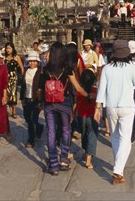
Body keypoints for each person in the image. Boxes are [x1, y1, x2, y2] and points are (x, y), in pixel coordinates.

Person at [95, 40, 135, 185]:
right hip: (127, 106)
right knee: (126, 139)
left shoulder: (107, 68)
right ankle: (118, 169)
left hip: (111, 107)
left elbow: (101, 89)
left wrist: (97, 107)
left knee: (115, 137)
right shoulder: (132, 67)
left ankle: (118, 171)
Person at [37, 42, 87, 176]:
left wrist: (41, 103)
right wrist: (89, 95)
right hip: (64, 102)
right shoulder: (67, 69)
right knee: (66, 130)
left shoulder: (45, 69)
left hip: (49, 104)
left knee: (51, 132)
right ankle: (64, 159)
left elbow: (40, 89)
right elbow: (77, 88)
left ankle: (53, 164)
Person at [76, 51, 98, 169]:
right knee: (92, 136)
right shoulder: (95, 91)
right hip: (92, 116)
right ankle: (89, 159)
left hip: (81, 115)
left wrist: (72, 114)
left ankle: (85, 152)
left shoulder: (80, 91)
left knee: (84, 135)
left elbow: (76, 103)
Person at [20, 51, 44, 148]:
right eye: (30, 61)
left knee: (33, 120)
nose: (32, 63)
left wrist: (41, 101)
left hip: (36, 99)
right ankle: (39, 128)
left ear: (37, 62)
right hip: (27, 98)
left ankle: (31, 140)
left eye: (34, 61)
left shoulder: (40, 72)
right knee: (27, 118)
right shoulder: (26, 71)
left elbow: (42, 87)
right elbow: (23, 86)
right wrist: (22, 99)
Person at [3, 42, 24, 119]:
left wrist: (22, 76)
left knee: (13, 93)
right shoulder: (4, 58)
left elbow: (22, 67)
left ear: (13, 48)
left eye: (10, 48)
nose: (8, 50)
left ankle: (14, 111)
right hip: (6, 78)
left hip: (14, 77)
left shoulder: (16, 57)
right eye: (7, 48)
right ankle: (10, 110)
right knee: (7, 93)